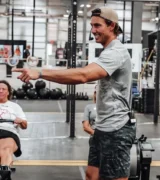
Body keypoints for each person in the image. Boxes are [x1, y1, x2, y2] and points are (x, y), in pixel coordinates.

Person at [12, 7, 135, 180]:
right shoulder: (107, 51)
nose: (93, 30)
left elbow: (84, 75)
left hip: (117, 128)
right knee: (92, 175)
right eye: (92, 25)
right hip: (102, 127)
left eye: (97, 26)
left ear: (111, 26)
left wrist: (39, 72)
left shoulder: (116, 52)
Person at [0, 80, 27, 180]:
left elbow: (25, 126)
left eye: (3, 89)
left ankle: (4, 171)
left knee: (6, 148)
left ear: (8, 92)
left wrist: (20, 121)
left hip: (8, 132)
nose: (1, 91)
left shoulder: (15, 107)